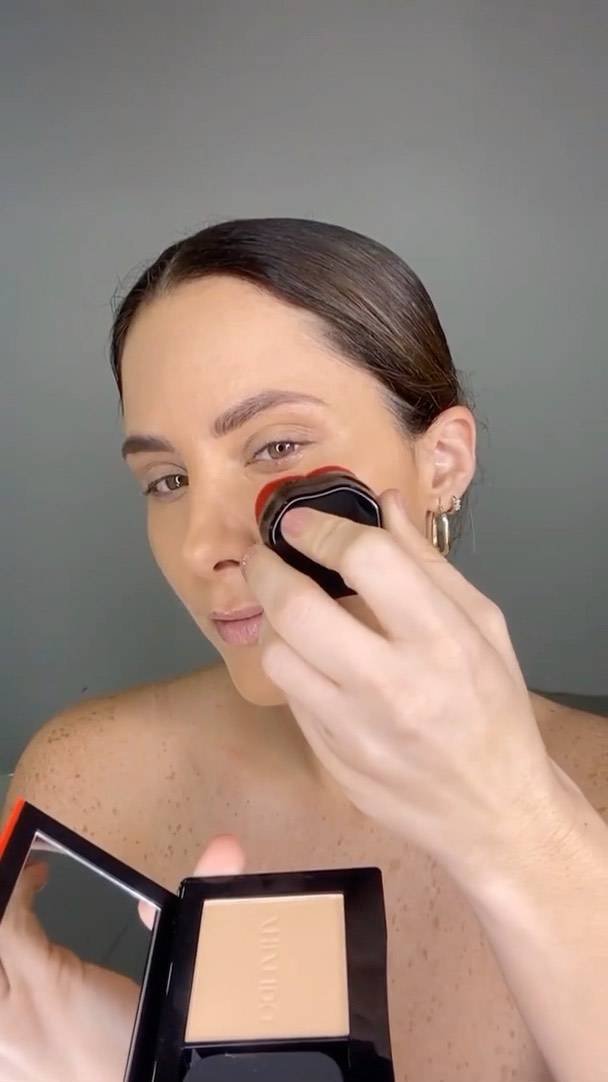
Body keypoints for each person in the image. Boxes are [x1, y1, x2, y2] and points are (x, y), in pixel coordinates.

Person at [1, 218, 607, 1082]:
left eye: (277, 446)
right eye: (167, 480)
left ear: (442, 461)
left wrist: (517, 822)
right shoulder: (82, 781)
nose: (201, 545)